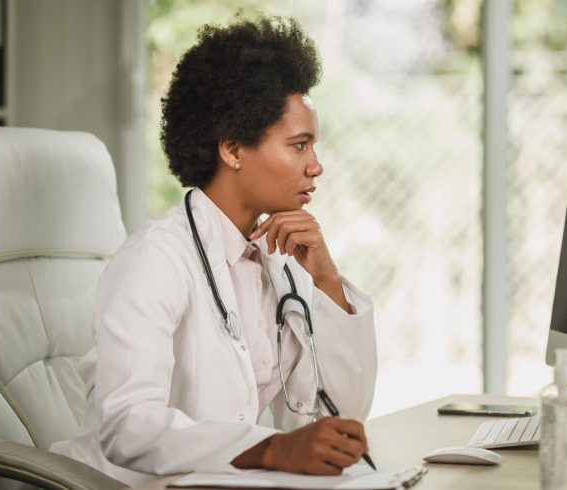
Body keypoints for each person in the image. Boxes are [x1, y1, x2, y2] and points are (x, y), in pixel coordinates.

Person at [51, 15, 377, 486]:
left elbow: (335, 421)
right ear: (232, 149)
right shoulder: (156, 259)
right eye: (299, 145)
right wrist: (273, 449)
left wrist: (327, 283)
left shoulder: (281, 261)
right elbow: (126, 427)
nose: (317, 166)